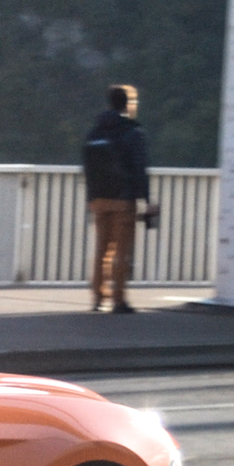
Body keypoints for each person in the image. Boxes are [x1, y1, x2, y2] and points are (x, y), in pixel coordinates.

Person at [81, 84, 155, 315]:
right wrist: (147, 198)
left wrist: (91, 196)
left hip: (98, 198)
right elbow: (139, 167)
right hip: (123, 199)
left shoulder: (95, 131)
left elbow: (87, 165)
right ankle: (119, 300)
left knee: (101, 249)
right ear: (128, 104)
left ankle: (97, 297)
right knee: (121, 251)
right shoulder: (132, 131)